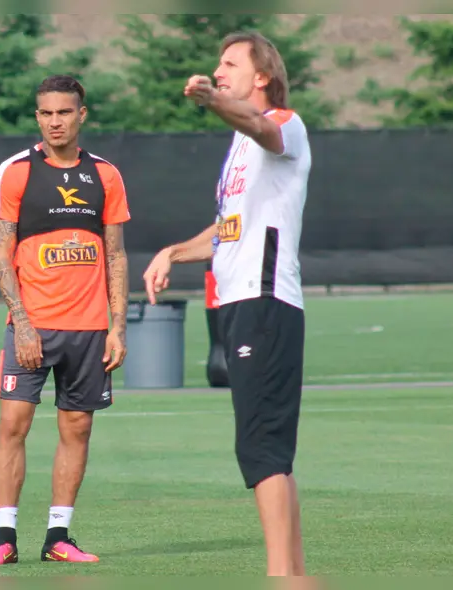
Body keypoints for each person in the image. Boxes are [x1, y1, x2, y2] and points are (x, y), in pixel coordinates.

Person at [143, 31, 312, 576]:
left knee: (260, 448)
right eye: (218, 65)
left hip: (265, 303)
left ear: (260, 76)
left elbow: (262, 126)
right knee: (270, 452)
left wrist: (214, 101)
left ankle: (279, 575)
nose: (219, 71)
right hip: (240, 304)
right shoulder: (238, 149)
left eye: (230, 63)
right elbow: (227, 232)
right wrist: (173, 251)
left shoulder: (285, 124)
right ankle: (295, 573)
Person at [0, 74, 131, 567]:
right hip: (33, 325)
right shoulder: (16, 171)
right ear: (37, 116)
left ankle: (58, 536)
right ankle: (4, 535)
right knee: (13, 423)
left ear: (81, 114)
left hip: (89, 329)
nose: (54, 121)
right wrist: (21, 321)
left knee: (78, 428)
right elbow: (0, 251)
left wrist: (119, 325)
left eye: (64, 112)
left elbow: (116, 255)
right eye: (46, 113)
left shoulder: (105, 175)